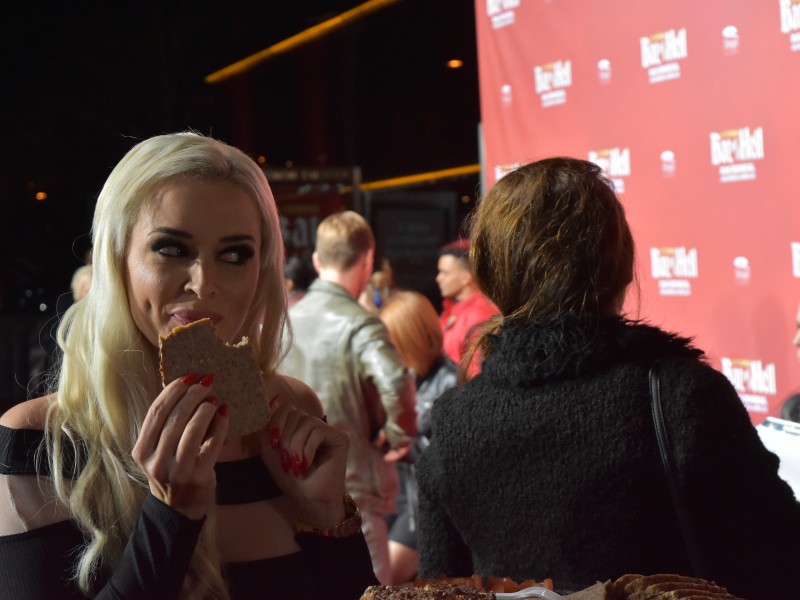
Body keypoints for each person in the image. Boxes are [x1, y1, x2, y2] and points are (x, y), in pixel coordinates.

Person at [0, 132, 377, 599]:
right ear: (118, 259)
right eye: (172, 249)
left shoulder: (289, 412)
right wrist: (171, 513)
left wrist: (327, 518)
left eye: (235, 254)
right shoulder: (43, 442)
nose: (204, 283)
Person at [415, 157, 800, 600]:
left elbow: (442, 587)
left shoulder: (453, 422)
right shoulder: (683, 397)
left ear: (490, 271)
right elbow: (780, 559)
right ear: (617, 263)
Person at [280, 211, 417, 584]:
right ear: (368, 259)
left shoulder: (283, 321)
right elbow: (394, 381)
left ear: (316, 260)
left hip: (288, 490)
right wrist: (400, 434)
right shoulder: (359, 323)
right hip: (351, 495)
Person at [378, 291, 458, 585]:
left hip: (426, 512)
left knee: (381, 580)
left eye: (391, 341)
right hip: (398, 497)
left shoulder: (450, 382)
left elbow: (447, 462)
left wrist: (404, 443)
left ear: (410, 337)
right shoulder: (408, 377)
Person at [435, 239, 497, 374]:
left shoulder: (479, 316)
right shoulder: (454, 310)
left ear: (466, 277)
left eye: (445, 273)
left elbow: (475, 374)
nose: (438, 278)